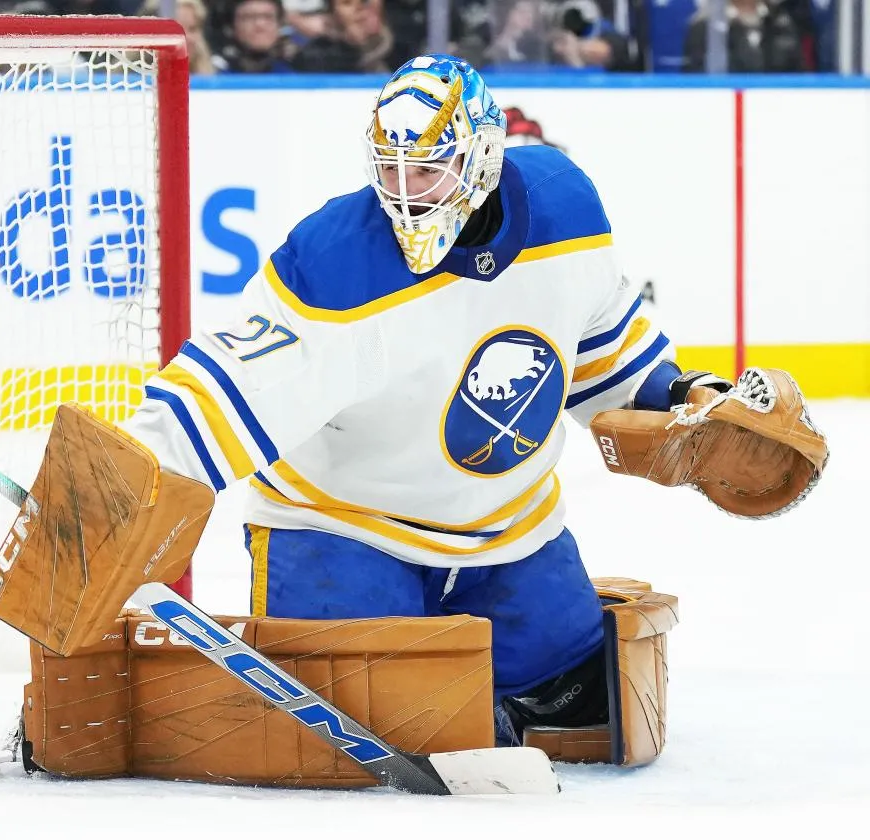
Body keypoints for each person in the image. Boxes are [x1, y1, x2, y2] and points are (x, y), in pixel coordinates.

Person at [109, 54, 821, 745]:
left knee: (593, 709)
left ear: (481, 157)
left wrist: (683, 397)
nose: (405, 192)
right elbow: (227, 387)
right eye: (388, 170)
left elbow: (602, 345)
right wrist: (116, 482)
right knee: (370, 721)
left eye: (425, 168)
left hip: (510, 531)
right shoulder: (333, 261)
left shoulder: (563, 207)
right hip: (345, 529)